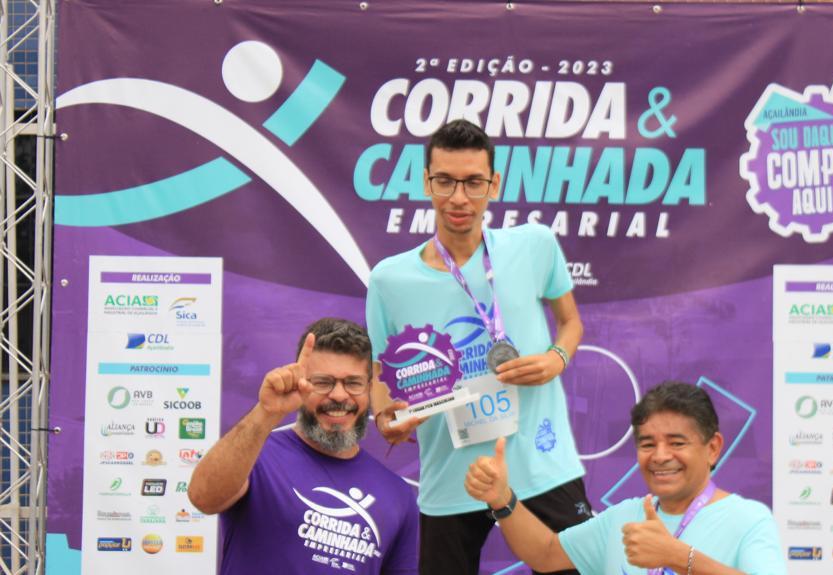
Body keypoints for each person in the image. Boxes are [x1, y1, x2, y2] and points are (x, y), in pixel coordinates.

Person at [366, 119, 590, 575]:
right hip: (452, 478)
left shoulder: (535, 245)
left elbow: (570, 323)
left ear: (494, 184)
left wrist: (556, 359)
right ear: (426, 181)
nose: (459, 198)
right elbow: (380, 375)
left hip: (542, 466)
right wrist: (386, 417)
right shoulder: (389, 279)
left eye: (473, 182)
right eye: (445, 181)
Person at [465, 381, 785, 575]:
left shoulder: (749, 519)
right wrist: (502, 499)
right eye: (647, 444)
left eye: (677, 443)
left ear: (712, 448)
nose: (660, 456)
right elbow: (545, 553)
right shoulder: (624, 516)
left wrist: (676, 556)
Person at [188, 318, 418, 574]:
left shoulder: (398, 494)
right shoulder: (255, 455)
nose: (339, 395)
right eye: (323, 382)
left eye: (353, 383)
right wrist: (266, 412)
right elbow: (203, 498)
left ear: (370, 390)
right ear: (301, 383)